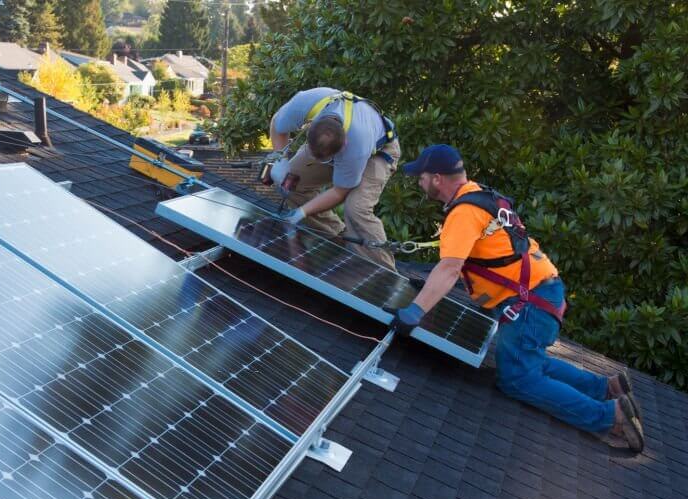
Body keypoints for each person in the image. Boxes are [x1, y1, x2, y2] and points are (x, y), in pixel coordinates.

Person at [389, 144, 645, 453]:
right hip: (542, 291)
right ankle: (605, 388)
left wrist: (415, 311)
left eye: (422, 176)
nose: (419, 182)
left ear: (438, 178)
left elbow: (450, 267)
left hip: (529, 303)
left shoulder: (463, 213)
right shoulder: (481, 195)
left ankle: (610, 417)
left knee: (517, 378)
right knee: (530, 359)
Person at [267, 87, 400, 270]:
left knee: (356, 208)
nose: (316, 162)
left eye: (323, 159)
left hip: (378, 153)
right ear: (311, 128)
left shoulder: (356, 146)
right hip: (336, 142)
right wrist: (279, 158)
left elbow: (339, 192)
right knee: (292, 182)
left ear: (342, 146)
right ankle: (339, 240)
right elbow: (277, 123)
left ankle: (385, 273)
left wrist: (303, 212)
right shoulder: (304, 103)